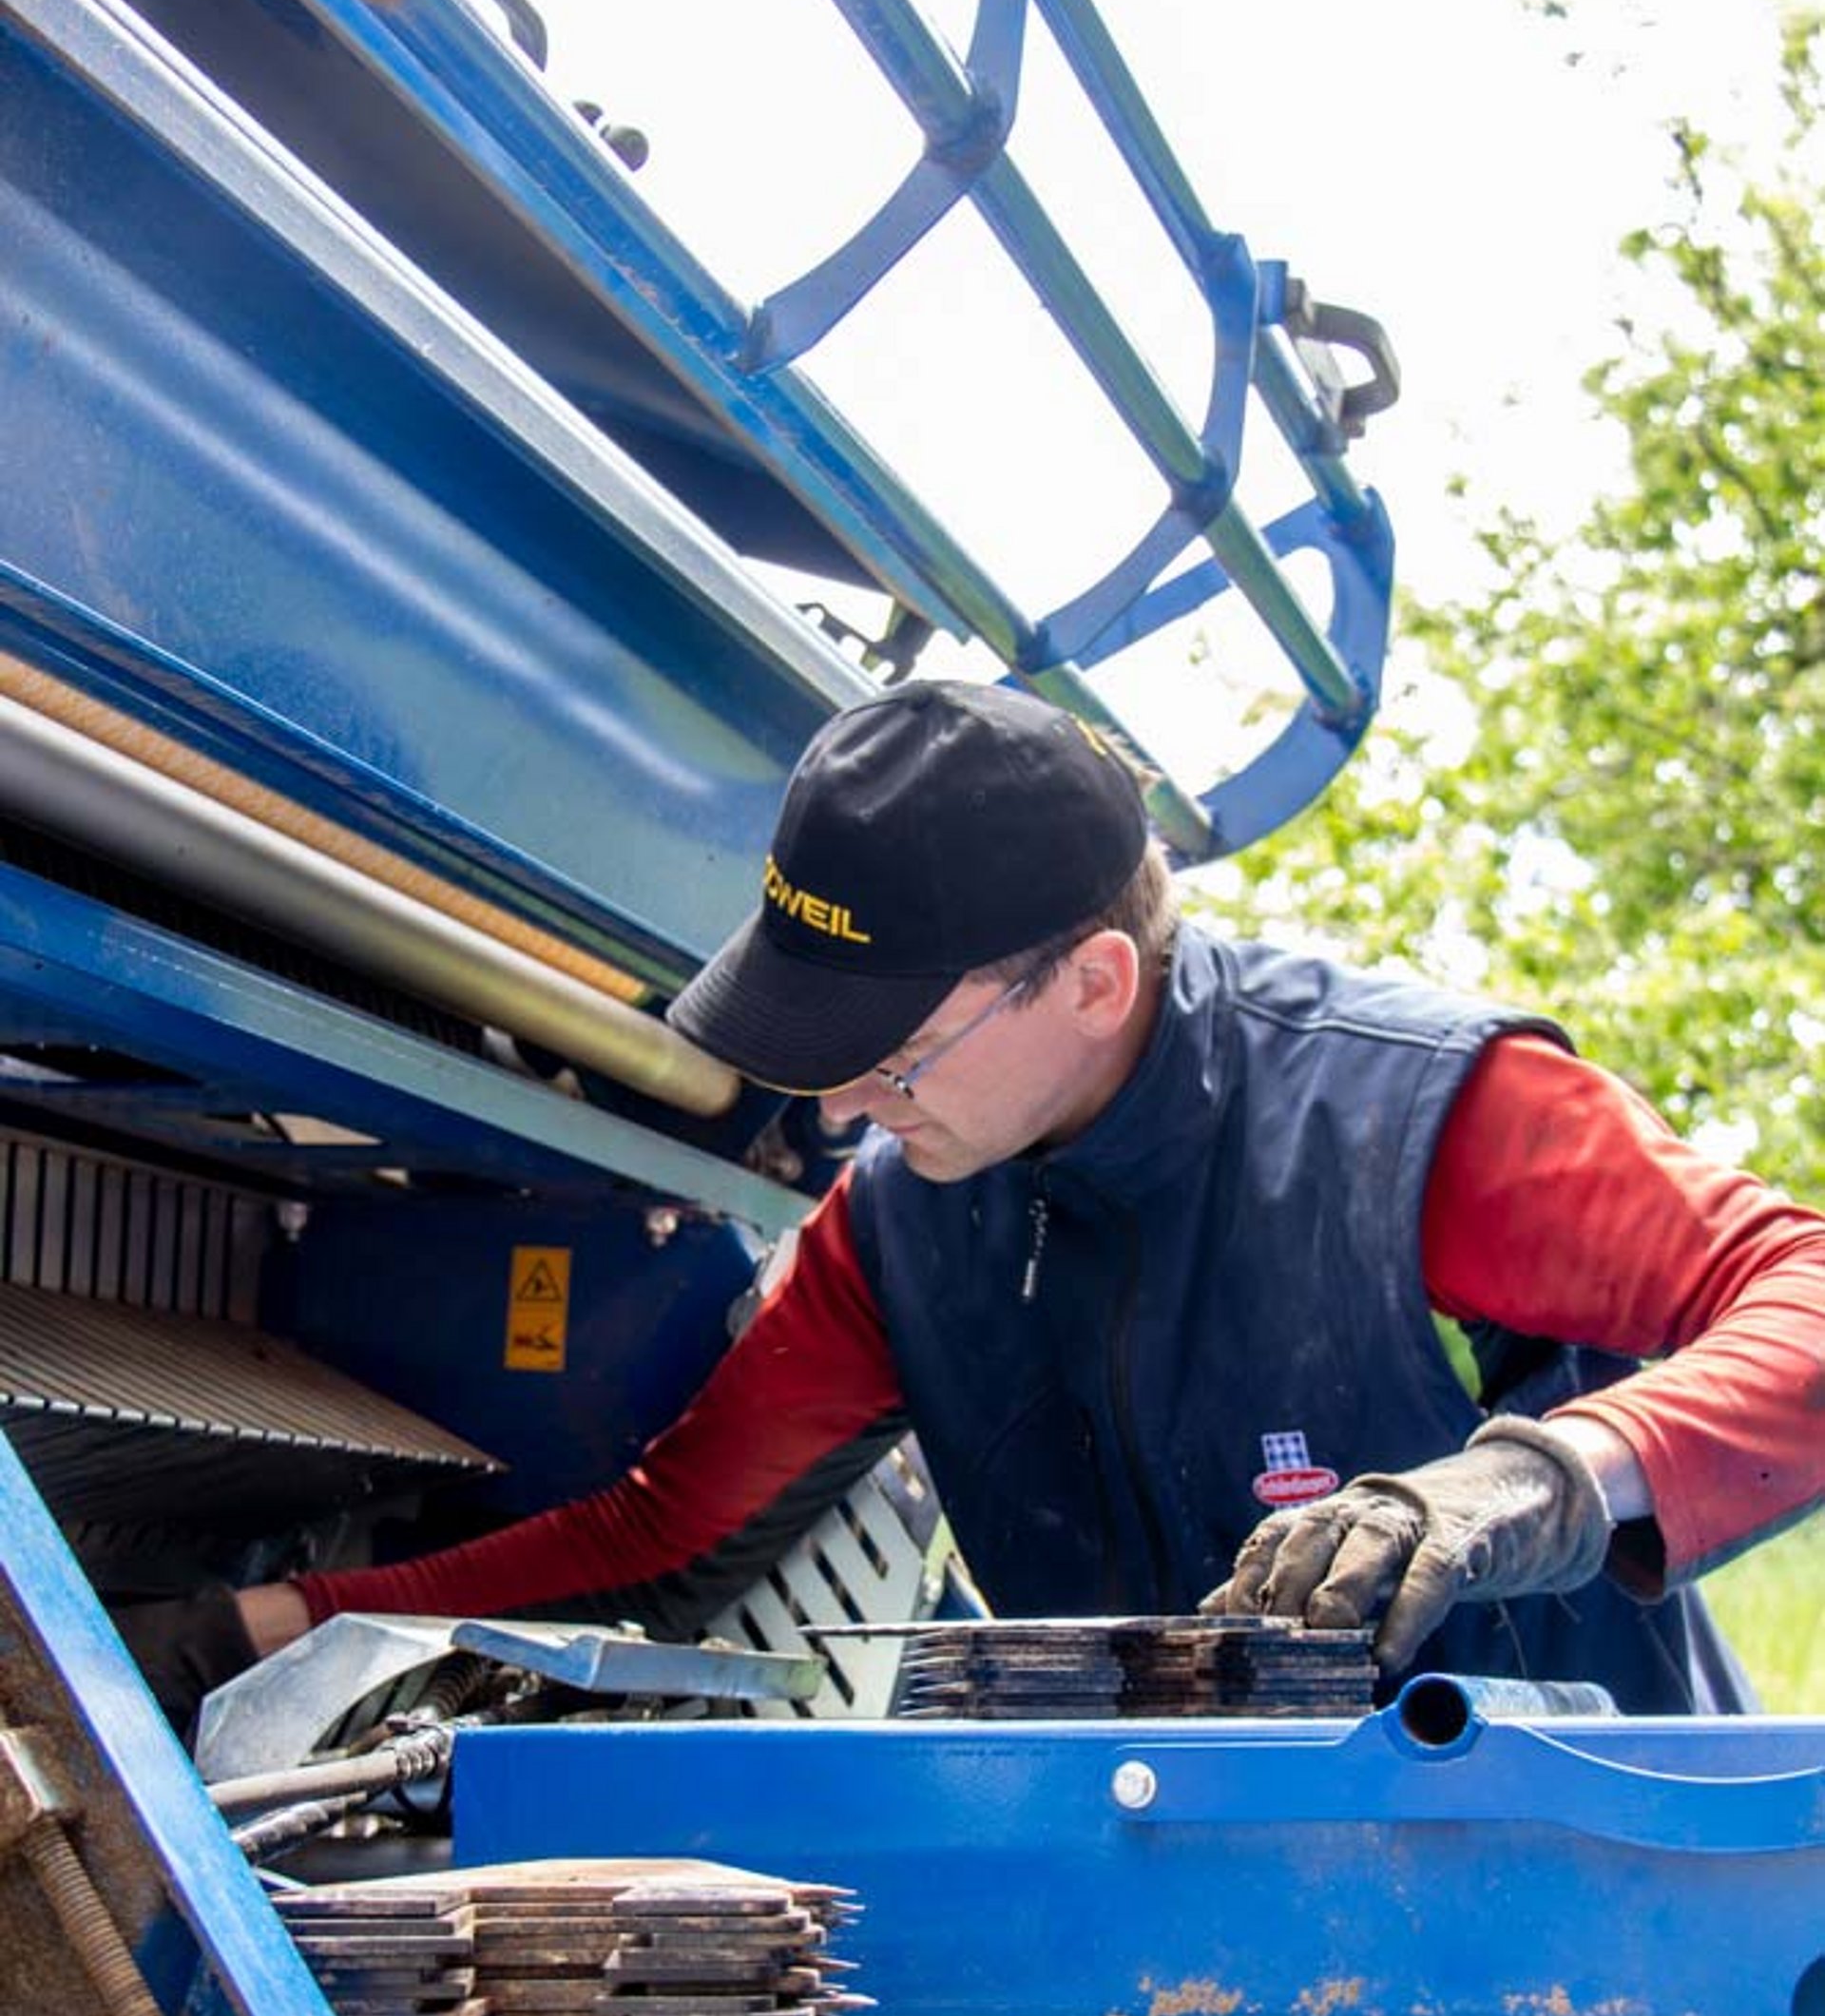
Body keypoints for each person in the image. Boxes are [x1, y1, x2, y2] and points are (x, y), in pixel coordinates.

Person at [139, 681, 1825, 1718]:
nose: (847, 1104)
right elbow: (663, 1536)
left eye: (893, 1054)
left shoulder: (1408, 1121)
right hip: (1180, 1911)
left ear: (1093, 981)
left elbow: (1803, 1305)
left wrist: (1510, 1492)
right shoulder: (900, 1225)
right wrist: (252, 1626)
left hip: (1575, 1926)